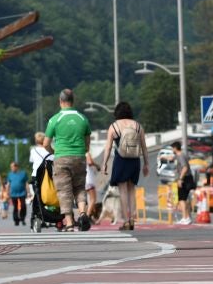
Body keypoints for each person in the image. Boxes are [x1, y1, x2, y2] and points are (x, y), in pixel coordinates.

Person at [43, 88, 91, 231]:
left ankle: (69, 223)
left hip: (62, 158)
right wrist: (82, 151)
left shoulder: (55, 119)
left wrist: (54, 152)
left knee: (64, 190)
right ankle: (82, 213)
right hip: (79, 156)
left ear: (60, 101)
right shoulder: (83, 119)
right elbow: (87, 144)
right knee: (79, 187)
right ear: (73, 101)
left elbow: (45, 144)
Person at [101, 102, 149, 230]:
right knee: (132, 190)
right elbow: (144, 147)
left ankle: (126, 221)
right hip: (135, 160)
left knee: (122, 191)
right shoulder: (138, 126)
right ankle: (132, 218)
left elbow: (108, 147)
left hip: (121, 160)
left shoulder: (114, 126)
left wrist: (104, 163)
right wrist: (146, 164)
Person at [172, 141, 195, 225]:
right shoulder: (180, 155)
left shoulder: (180, 156)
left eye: (172, 148)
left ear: (175, 148)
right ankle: (187, 217)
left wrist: (180, 179)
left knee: (182, 199)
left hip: (184, 179)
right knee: (185, 199)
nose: (172, 150)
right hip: (187, 178)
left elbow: (185, 168)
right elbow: (172, 158)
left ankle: (185, 218)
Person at [6, 161, 28, 226]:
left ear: (16, 167)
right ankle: (16, 220)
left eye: (12, 167)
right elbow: (8, 184)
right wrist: (7, 192)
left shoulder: (23, 174)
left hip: (22, 193)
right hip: (13, 194)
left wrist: (28, 192)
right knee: (15, 207)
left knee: (23, 206)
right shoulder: (10, 174)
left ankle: (22, 218)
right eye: (11, 167)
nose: (11, 168)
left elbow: (26, 183)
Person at [85, 150, 99, 222]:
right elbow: (90, 162)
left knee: (89, 199)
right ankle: (87, 216)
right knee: (93, 199)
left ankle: (90, 216)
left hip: (84, 179)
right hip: (89, 180)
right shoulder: (87, 153)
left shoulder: (79, 153)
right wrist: (97, 165)